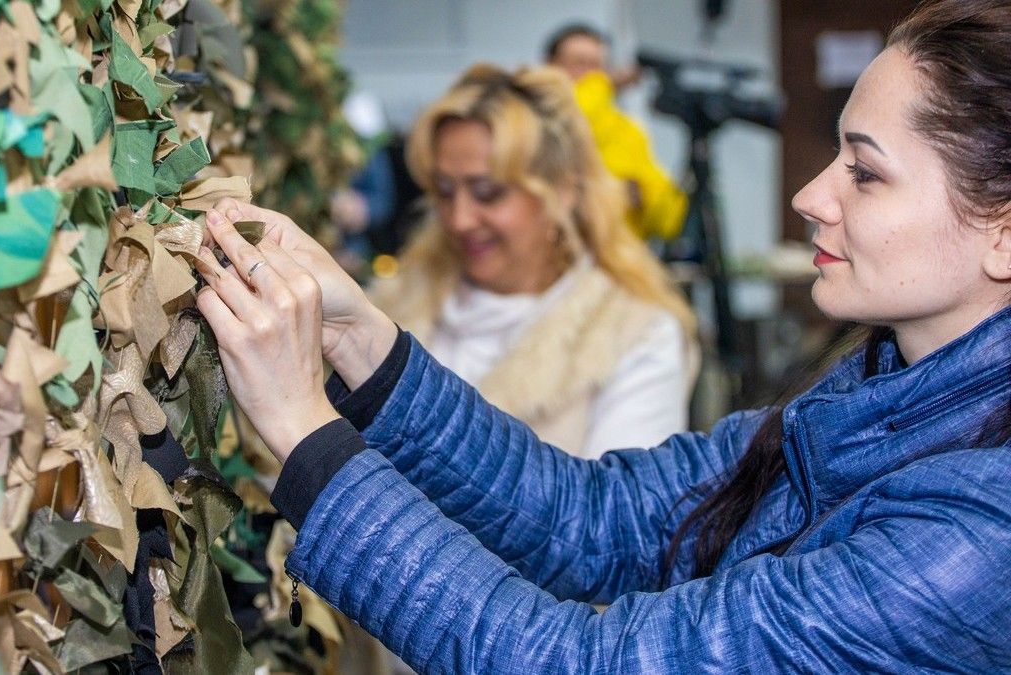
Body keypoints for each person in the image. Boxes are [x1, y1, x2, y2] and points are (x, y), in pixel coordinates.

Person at [194, 0, 1011, 670]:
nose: (808, 193)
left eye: (864, 172)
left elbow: (577, 661)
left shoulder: (977, 537)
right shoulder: (870, 389)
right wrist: (364, 346)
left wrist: (309, 440)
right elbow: (600, 517)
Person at [368, 64, 697, 458]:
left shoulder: (634, 335)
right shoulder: (391, 310)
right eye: (443, 191)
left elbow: (616, 515)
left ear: (562, 192)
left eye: (487, 193)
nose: (459, 219)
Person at [545, 22, 689, 241]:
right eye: (579, 64)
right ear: (551, 68)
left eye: (597, 66)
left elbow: (668, 218)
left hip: (618, 259)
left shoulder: (628, 130)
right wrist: (606, 83)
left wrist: (642, 195)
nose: (591, 75)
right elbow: (575, 117)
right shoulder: (536, 121)